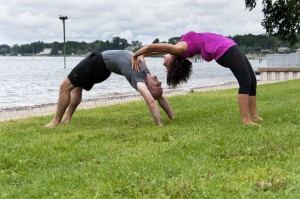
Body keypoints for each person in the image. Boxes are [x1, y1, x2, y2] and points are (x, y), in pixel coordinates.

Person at [131, 31, 263, 125]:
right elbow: (152, 46)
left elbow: (154, 49)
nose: (163, 61)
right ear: (172, 60)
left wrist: (142, 55)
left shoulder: (177, 49)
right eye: (166, 64)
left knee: (252, 80)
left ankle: (254, 115)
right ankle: (246, 119)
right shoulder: (178, 50)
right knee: (245, 82)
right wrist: (135, 55)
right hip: (224, 49)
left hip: (226, 47)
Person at [45, 50, 174, 127]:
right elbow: (146, 52)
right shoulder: (146, 71)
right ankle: (66, 118)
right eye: (160, 84)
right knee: (77, 87)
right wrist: (171, 117)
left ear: (148, 88)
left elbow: (151, 101)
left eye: (157, 85)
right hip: (105, 68)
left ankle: (56, 121)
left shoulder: (139, 80)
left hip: (97, 62)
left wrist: (159, 124)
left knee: (64, 87)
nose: (158, 80)